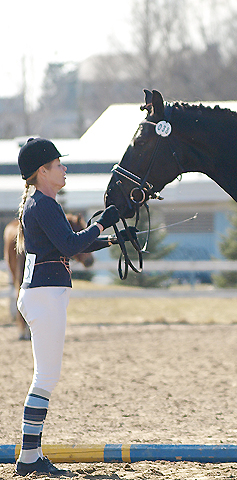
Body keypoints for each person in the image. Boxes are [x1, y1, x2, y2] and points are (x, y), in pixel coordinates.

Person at [14, 138, 131, 476]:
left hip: (44, 294)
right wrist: (103, 222)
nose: (64, 169)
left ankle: (30, 455)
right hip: (45, 295)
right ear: (42, 171)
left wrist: (112, 239)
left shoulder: (41, 203)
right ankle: (29, 456)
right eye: (58, 165)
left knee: (46, 376)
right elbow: (69, 244)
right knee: (46, 377)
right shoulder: (44, 204)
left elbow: (67, 244)